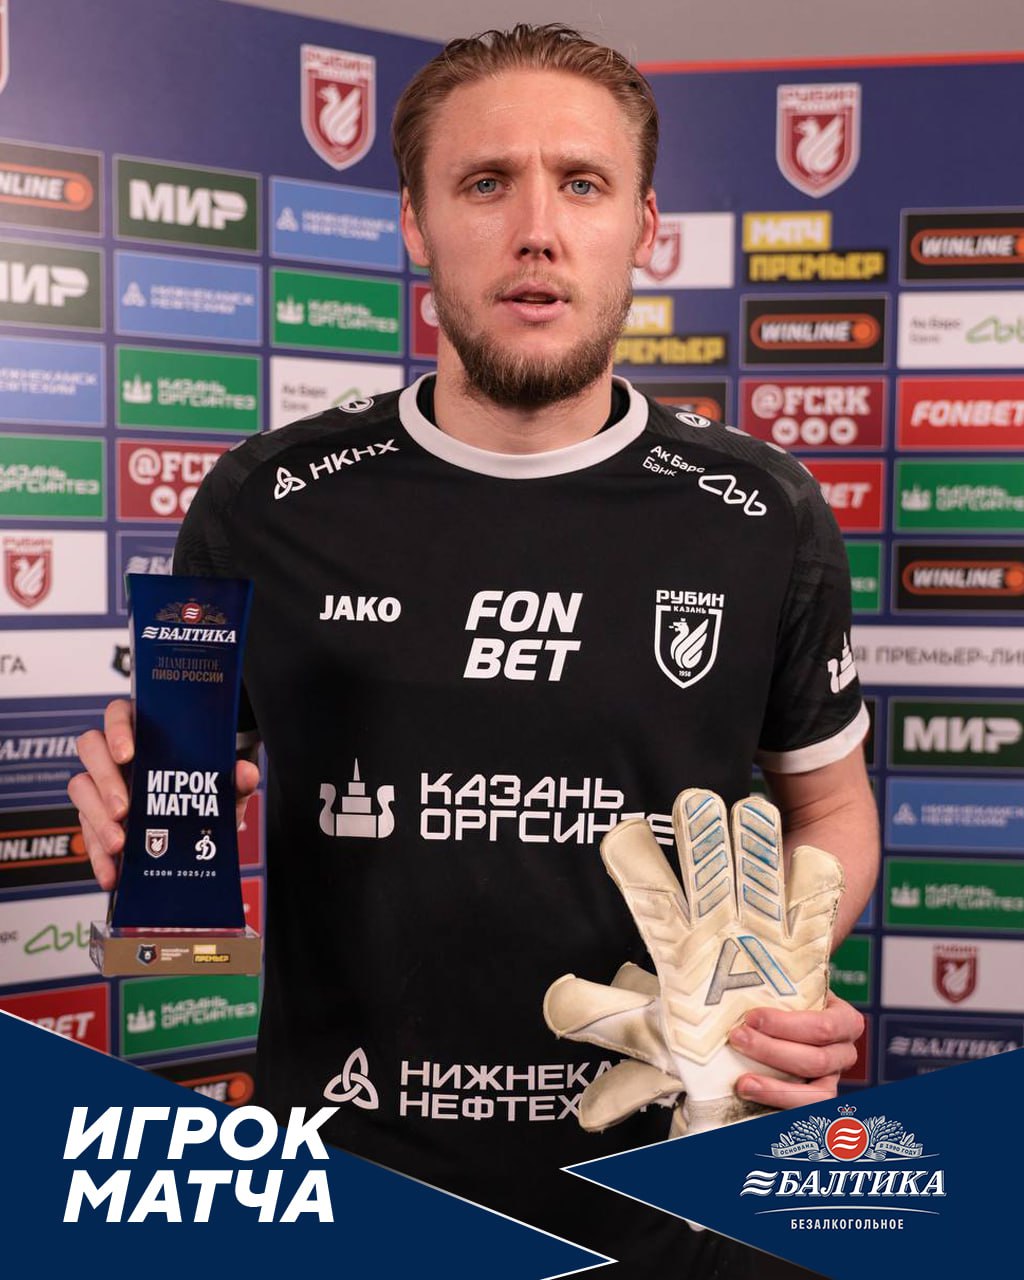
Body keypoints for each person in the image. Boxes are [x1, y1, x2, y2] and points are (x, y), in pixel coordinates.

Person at [70, 24, 877, 1277]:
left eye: (582, 183)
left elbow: (828, 803)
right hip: (352, 1198)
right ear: (415, 221)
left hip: (672, 1203)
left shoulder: (762, 513)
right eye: (487, 181)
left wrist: (782, 963)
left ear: (642, 226)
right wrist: (136, 822)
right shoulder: (264, 504)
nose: (537, 229)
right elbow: (176, 808)